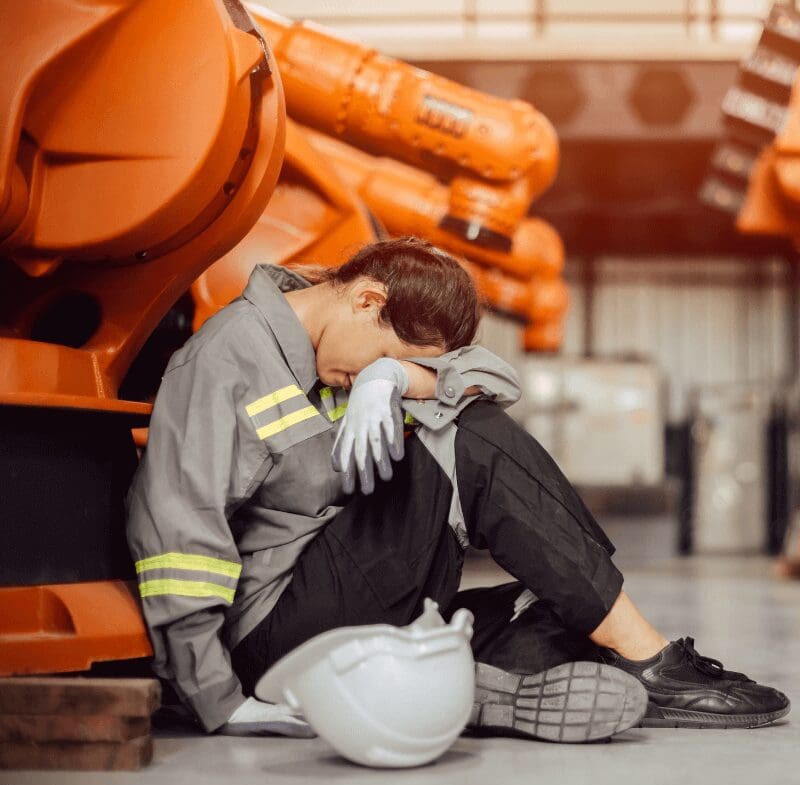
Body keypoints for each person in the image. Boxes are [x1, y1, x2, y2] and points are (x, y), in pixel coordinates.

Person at [126, 237, 790, 740]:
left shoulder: (345, 351)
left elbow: (496, 375)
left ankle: (469, 687)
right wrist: (219, 700)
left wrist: (395, 379)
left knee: (549, 600)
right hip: (275, 632)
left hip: (349, 600)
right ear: (366, 300)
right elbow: (175, 529)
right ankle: (648, 659)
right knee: (469, 436)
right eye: (389, 359)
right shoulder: (225, 358)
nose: (371, 380)